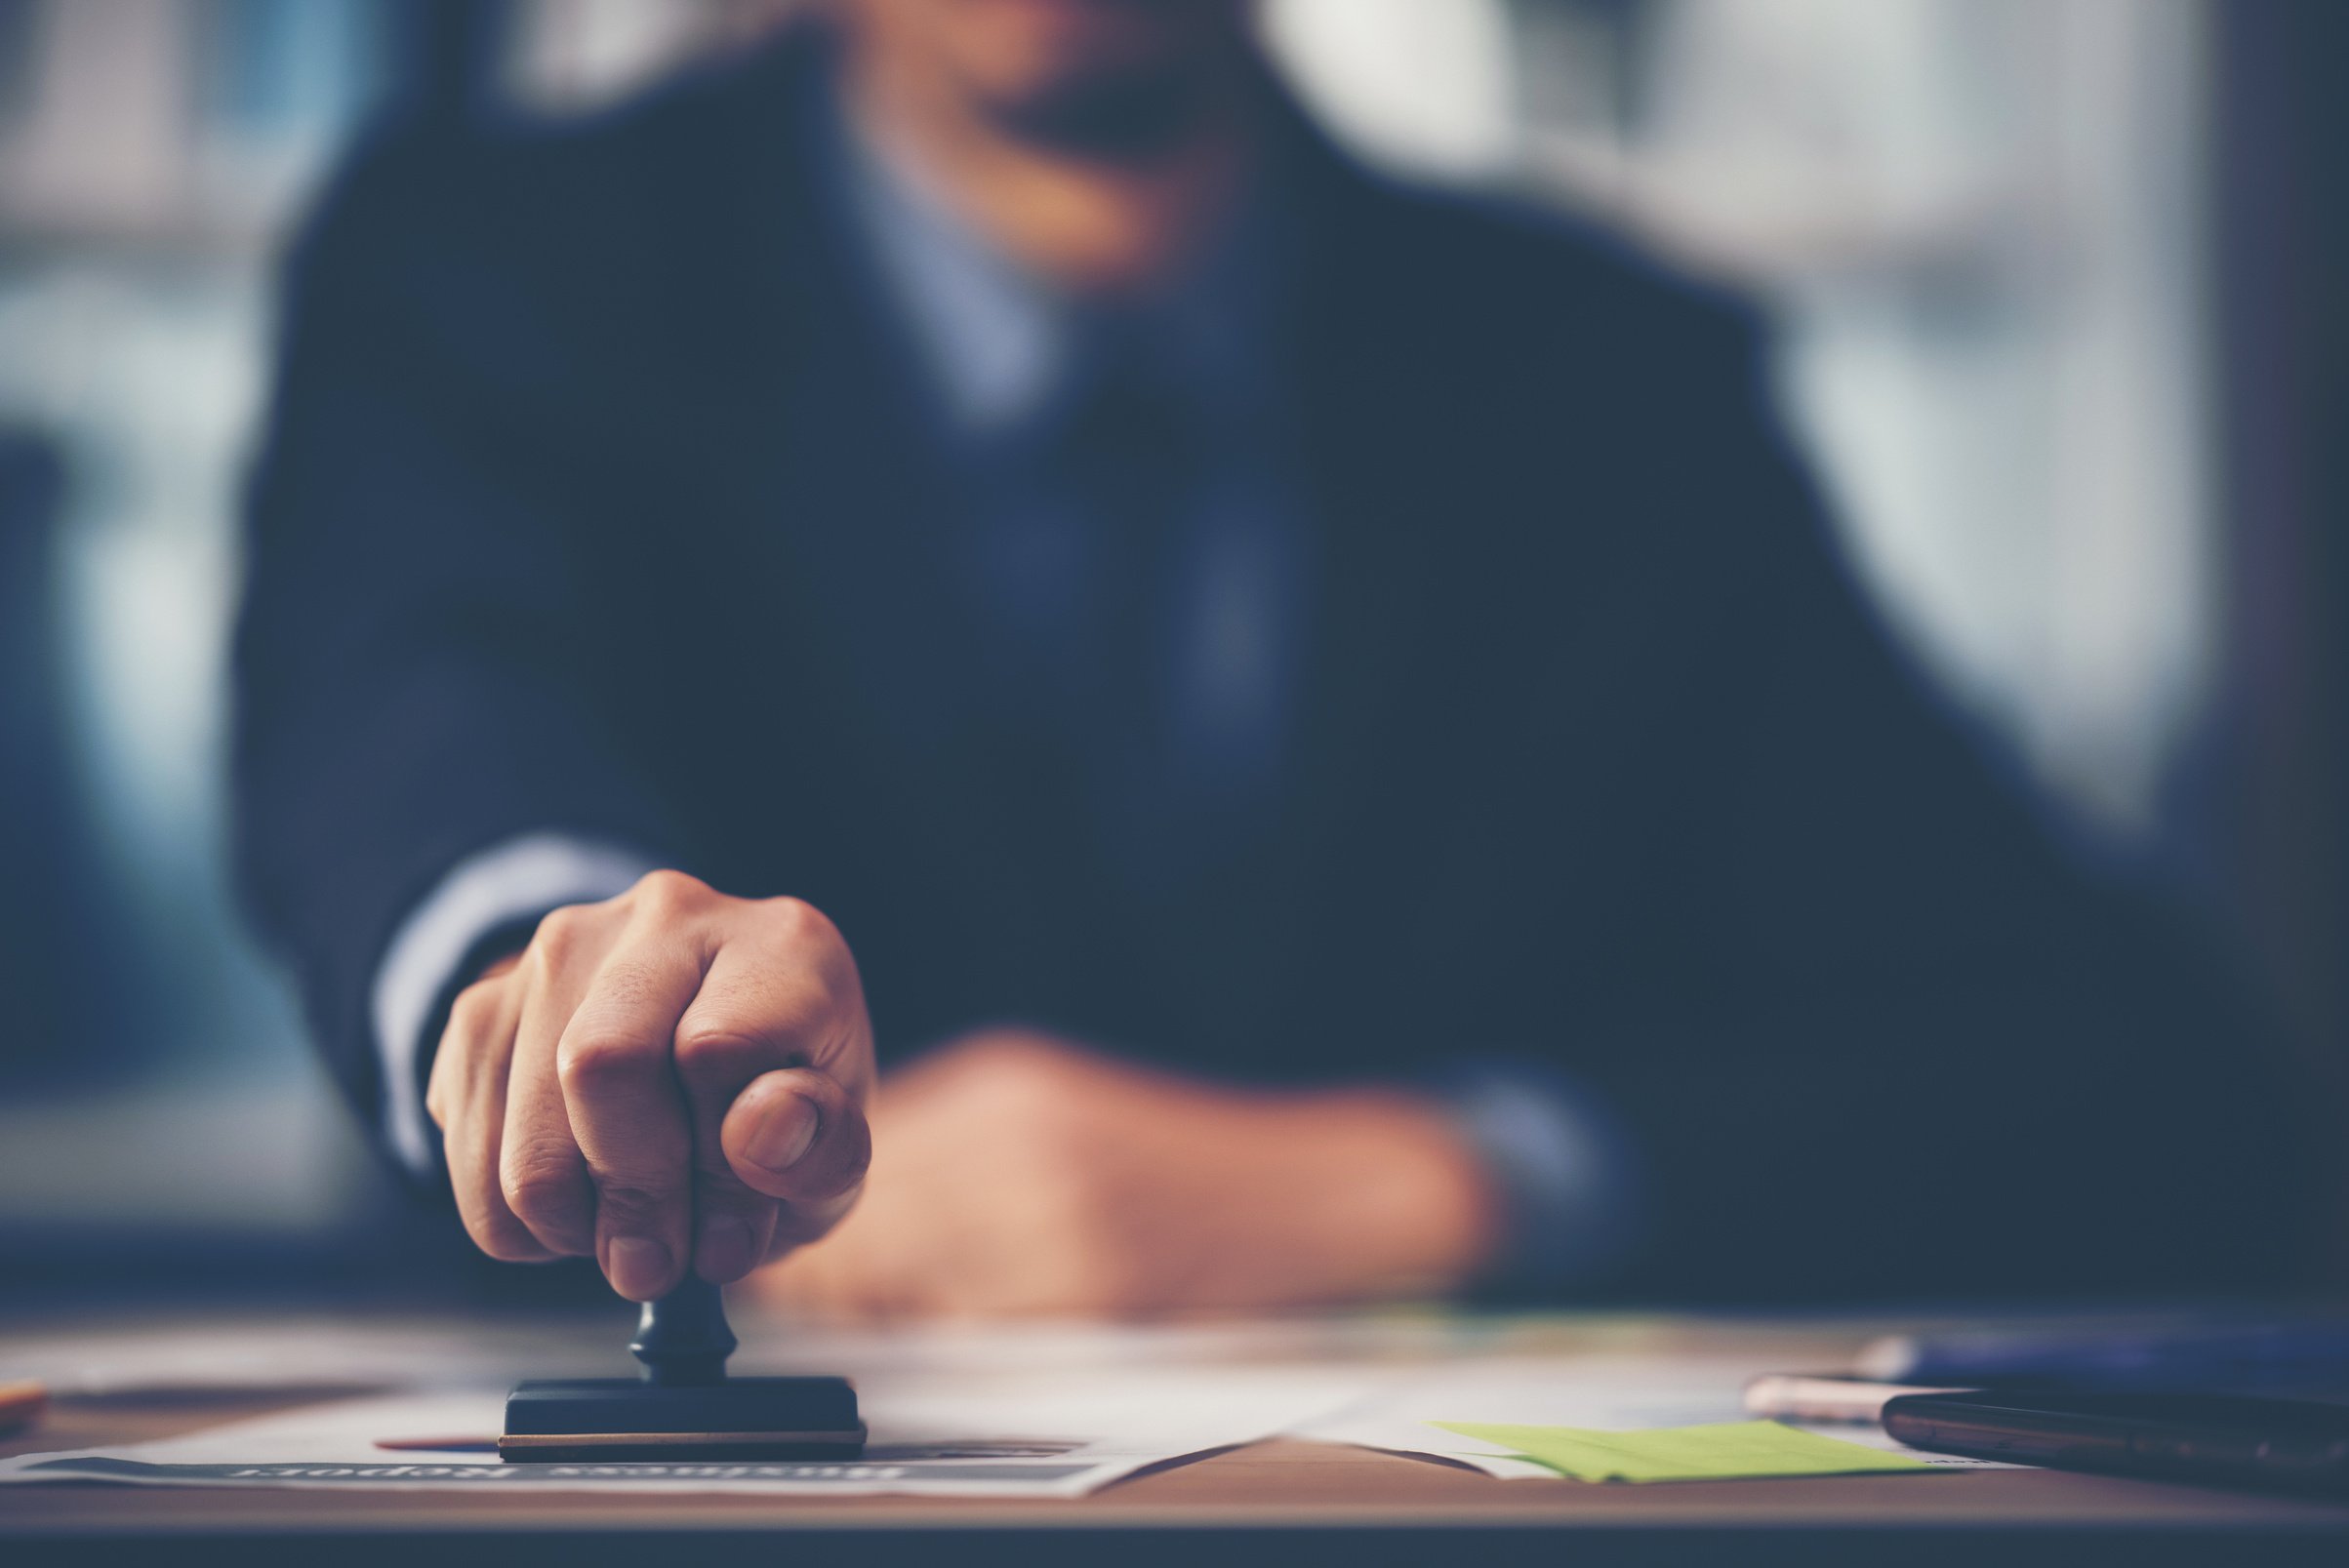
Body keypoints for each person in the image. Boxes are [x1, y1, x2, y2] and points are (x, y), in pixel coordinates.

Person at [234, 0, 2315, 1319]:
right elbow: (411, 732)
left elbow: (2132, 1077)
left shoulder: (1607, 381)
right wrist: (554, 987)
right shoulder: (474, 277)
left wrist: (1432, 1179)